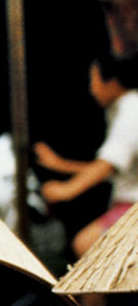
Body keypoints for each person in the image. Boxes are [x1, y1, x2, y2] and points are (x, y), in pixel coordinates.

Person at [36, 50, 138, 257]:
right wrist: (59, 164)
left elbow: (108, 164)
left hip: (133, 206)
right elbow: (113, 166)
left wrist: (66, 189)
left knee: (86, 245)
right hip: (127, 204)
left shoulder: (131, 107)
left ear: (111, 81)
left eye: (94, 79)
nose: (92, 88)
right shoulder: (124, 107)